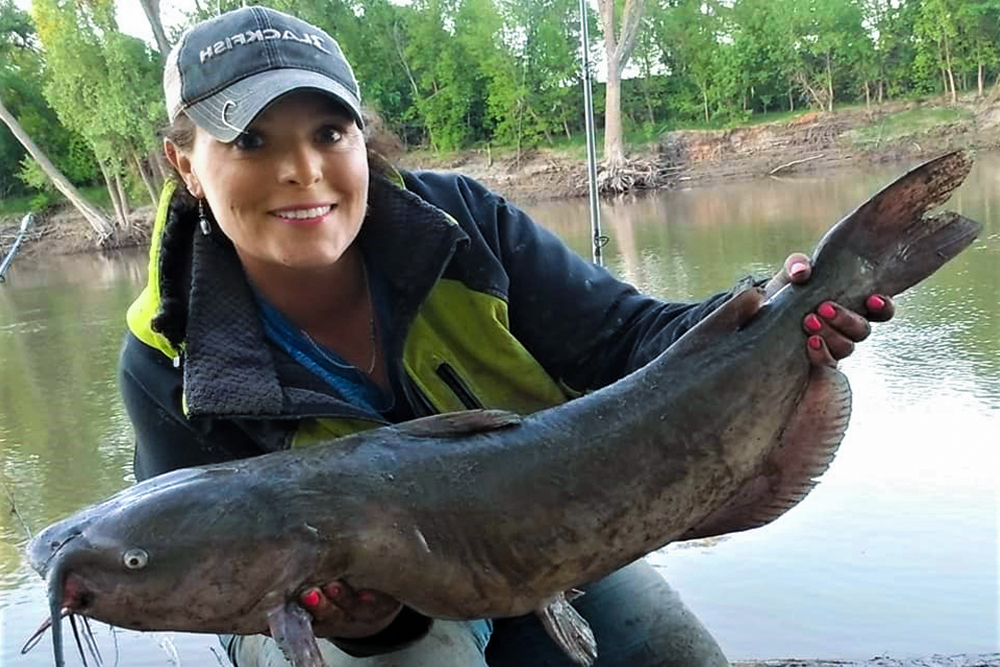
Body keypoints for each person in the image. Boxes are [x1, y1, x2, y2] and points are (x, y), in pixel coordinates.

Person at [118, 6, 894, 667]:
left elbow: (629, 337)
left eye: (329, 132)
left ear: (363, 140)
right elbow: (200, 581)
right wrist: (356, 617)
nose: (302, 169)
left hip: (537, 533)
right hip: (319, 614)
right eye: (249, 141)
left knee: (674, 652)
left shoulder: (463, 226)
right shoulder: (165, 356)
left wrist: (767, 314)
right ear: (184, 163)